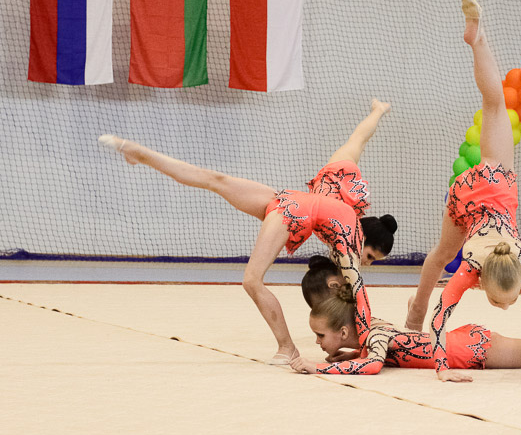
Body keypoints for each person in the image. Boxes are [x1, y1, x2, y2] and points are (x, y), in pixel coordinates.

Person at [98, 99, 395, 365]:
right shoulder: (348, 242)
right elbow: (359, 294)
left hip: (287, 200)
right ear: (363, 239)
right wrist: (367, 343)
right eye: (370, 255)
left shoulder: (337, 179)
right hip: (290, 211)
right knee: (252, 280)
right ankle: (287, 348)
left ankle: (139, 153)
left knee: (216, 180)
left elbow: (359, 136)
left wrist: (377, 113)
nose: (366, 262)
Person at [404, 0, 521, 385]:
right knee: (495, 105)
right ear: (481, 281)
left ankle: (478, 38)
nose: (502, 307)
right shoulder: (473, 269)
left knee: (495, 105)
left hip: (487, 188)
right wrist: (443, 369)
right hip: (473, 197)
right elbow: (446, 311)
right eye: (500, 301)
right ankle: (477, 38)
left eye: (506, 299)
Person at [290, 280, 521, 375]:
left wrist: (325, 366)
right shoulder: (373, 331)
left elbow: (372, 364)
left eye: (321, 335)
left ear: (342, 330)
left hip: (473, 350)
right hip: (464, 343)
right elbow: (372, 355)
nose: (318, 342)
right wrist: (345, 352)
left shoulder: (376, 336)